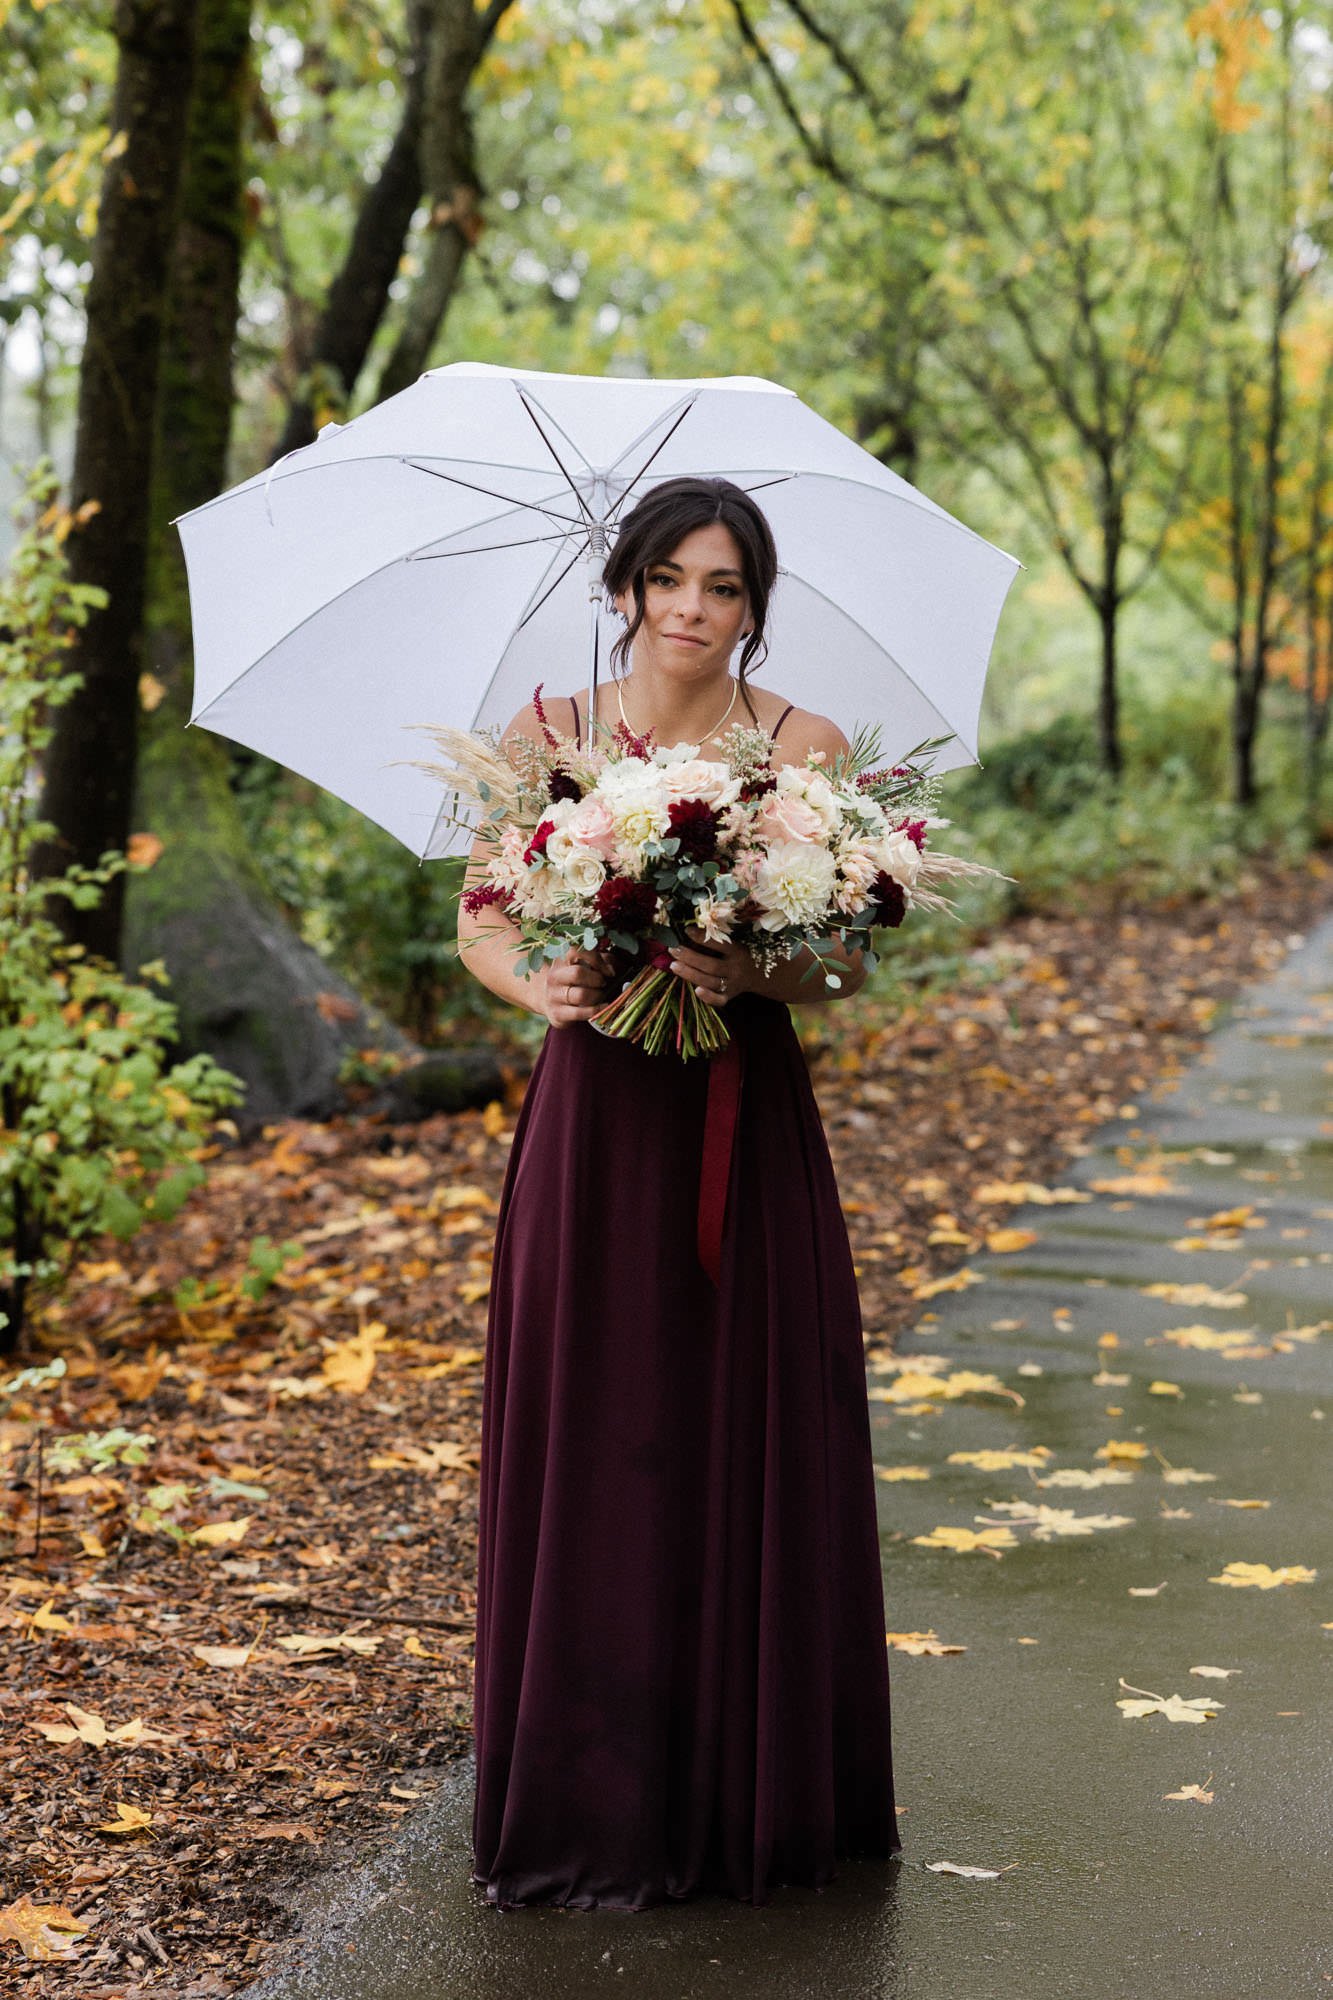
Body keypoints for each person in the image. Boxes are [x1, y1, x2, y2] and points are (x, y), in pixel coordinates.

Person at [458, 475, 901, 1912]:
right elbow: (480, 911)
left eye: (722, 586)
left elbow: (847, 957)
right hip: (596, 1118)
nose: (692, 610)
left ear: (754, 607)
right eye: (669, 580)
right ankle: (590, 1798)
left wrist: (752, 967)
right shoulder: (554, 736)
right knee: (601, 1422)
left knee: (738, 1415)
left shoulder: (805, 747)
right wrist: (552, 983)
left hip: (739, 1112)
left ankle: (748, 1795)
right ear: (625, 588)